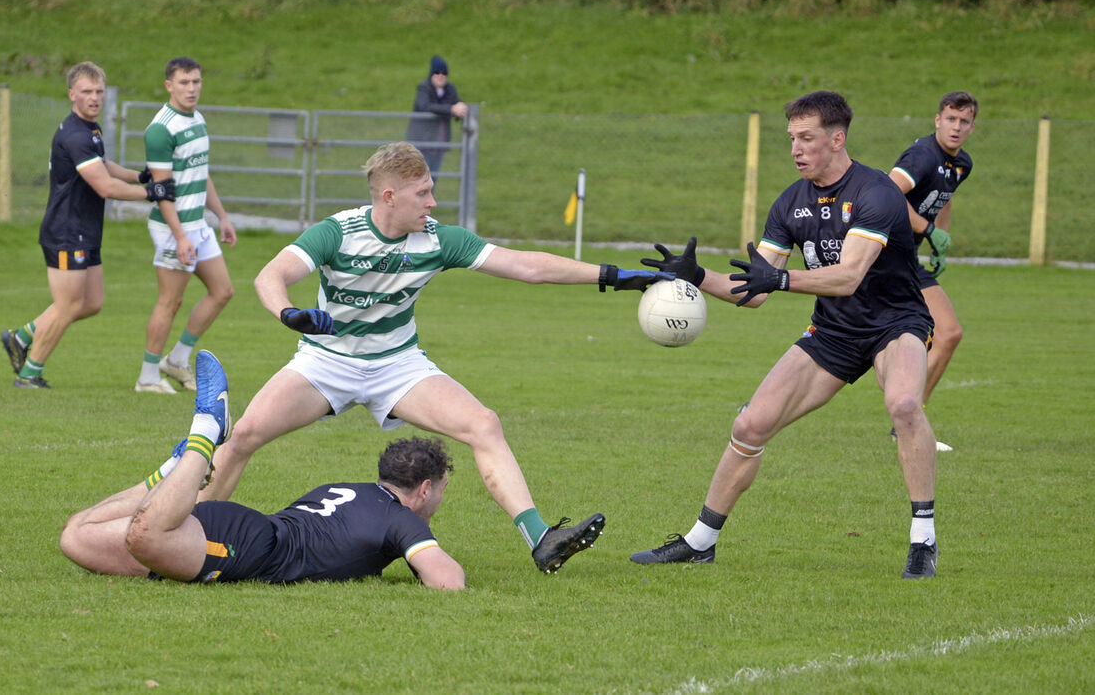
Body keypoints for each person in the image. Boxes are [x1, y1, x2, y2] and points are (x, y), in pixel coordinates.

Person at [197, 141, 672, 574]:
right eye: (422, 194)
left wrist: (613, 275)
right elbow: (270, 275)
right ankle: (189, 533)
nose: (432, 203)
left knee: (483, 424)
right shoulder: (337, 233)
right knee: (242, 437)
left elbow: (527, 266)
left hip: (397, 365)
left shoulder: (439, 240)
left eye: (432, 191)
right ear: (388, 197)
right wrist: (289, 313)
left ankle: (542, 539)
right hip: (326, 363)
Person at [632, 91, 941, 578]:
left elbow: (847, 276)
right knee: (749, 426)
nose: (796, 149)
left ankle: (923, 539)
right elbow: (755, 291)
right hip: (834, 333)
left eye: (807, 138)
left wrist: (781, 279)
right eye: (791, 139)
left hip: (895, 323)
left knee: (904, 405)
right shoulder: (791, 204)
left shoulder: (876, 193)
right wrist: (697, 277)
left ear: (837, 139)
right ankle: (700, 541)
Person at [59, 350, 465, 590]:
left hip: (233, 525)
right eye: (444, 490)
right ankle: (205, 434)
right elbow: (447, 581)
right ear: (425, 489)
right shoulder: (401, 520)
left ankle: (171, 468)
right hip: (247, 548)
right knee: (144, 535)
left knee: (76, 537)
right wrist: (418, 553)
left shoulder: (346, 489)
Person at [0, 61, 176, 390]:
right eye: (86, 92)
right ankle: (30, 374)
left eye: (99, 91)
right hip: (67, 232)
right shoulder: (77, 134)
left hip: (85, 230)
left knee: (91, 303)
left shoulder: (90, 130)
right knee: (67, 306)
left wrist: (137, 176)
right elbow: (105, 187)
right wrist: (150, 192)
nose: (94, 97)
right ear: (72, 95)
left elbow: (104, 166)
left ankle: (21, 337)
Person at [134, 57, 237, 394]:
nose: (191, 89)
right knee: (170, 302)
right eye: (184, 83)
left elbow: (199, 172)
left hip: (198, 224)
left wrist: (221, 216)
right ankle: (148, 377)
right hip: (172, 227)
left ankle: (177, 359)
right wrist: (179, 236)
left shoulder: (197, 118)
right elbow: (162, 190)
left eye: (196, 82)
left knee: (222, 291)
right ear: (169, 86)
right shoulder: (161, 129)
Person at [887, 91, 978, 450]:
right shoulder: (922, 156)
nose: (956, 127)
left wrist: (942, 238)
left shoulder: (961, 164)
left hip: (907, 259)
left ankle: (907, 421)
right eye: (951, 119)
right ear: (937, 120)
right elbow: (888, 193)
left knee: (946, 334)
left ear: (972, 127)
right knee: (945, 333)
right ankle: (909, 422)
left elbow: (945, 195)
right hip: (885, 257)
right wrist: (928, 230)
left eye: (964, 121)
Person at [405, 55, 467, 188]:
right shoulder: (424, 88)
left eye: (444, 73)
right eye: (437, 72)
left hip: (438, 145)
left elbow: (456, 104)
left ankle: (426, 208)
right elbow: (426, 106)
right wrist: (451, 109)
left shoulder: (450, 89)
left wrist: (461, 110)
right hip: (422, 144)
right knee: (419, 180)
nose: (441, 75)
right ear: (431, 74)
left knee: (432, 181)